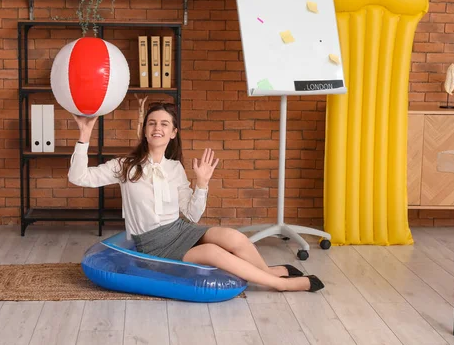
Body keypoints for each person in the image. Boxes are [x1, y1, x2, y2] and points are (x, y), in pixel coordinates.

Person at [68, 102, 324, 293]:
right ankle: (279, 284)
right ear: (145, 131)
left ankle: (269, 271)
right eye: (152, 123)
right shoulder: (124, 165)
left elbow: (191, 215)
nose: (157, 128)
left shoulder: (175, 168)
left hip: (179, 229)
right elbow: (78, 177)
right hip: (153, 242)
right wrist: (84, 137)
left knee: (234, 237)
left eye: (164, 124)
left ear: (173, 132)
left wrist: (201, 184)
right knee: (212, 251)